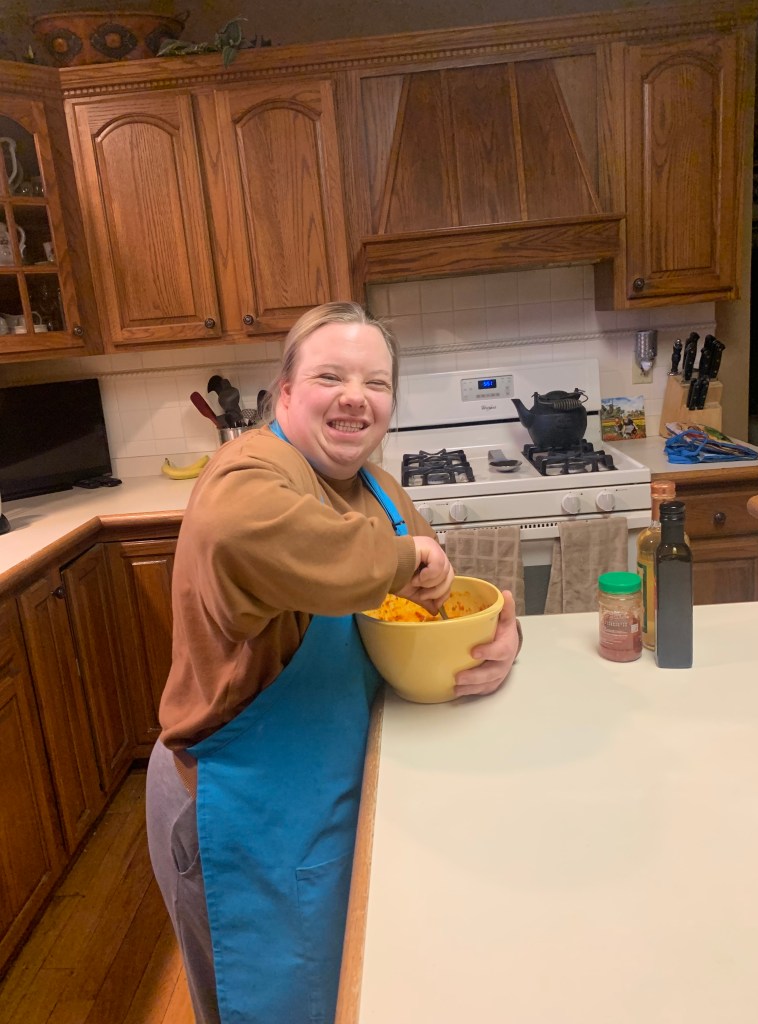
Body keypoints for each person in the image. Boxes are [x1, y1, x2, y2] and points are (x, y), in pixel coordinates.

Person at [145, 301, 521, 1024]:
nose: (356, 397)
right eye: (330, 376)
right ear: (284, 393)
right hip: (239, 808)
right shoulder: (250, 471)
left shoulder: (379, 490)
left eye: (376, 383)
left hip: (340, 793)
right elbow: (241, 534)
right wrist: (407, 555)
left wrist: (496, 641)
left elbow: (432, 610)